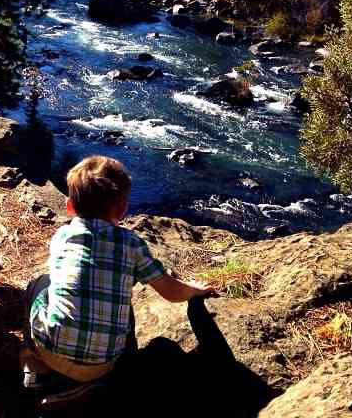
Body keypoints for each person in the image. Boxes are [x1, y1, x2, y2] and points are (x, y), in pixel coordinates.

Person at [25, 155, 214, 384]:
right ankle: (120, 369)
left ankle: (33, 362)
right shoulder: (132, 243)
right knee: (123, 301)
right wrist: (193, 290)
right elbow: (171, 292)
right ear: (123, 210)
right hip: (104, 365)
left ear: (69, 206)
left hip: (50, 351)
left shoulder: (62, 236)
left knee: (40, 283)